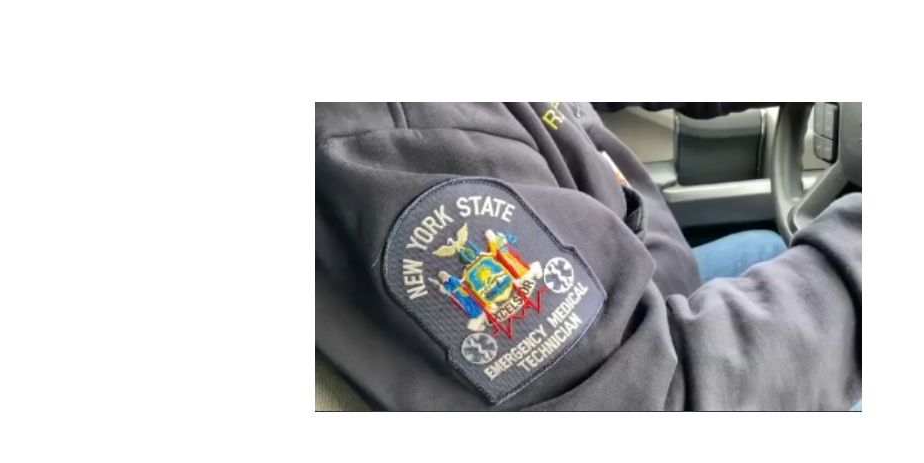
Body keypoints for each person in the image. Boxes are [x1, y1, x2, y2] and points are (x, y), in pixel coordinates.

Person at [315, 102, 861, 410]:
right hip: (641, 359)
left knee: (764, 247)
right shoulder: (401, 142)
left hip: (639, 282)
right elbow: (648, 401)